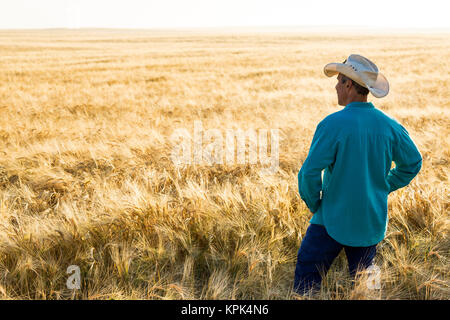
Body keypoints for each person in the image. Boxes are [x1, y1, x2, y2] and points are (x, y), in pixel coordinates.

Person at [293, 54, 422, 296]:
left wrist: (316, 204)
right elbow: (413, 163)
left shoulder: (332, 125)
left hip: (329, 219)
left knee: (307, 280)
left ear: (349, 85)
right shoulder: (390, 126)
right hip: (370, 220)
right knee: (367, 287)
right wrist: (383, 186)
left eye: (339, 81)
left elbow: (309, 172)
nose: (336, 86)